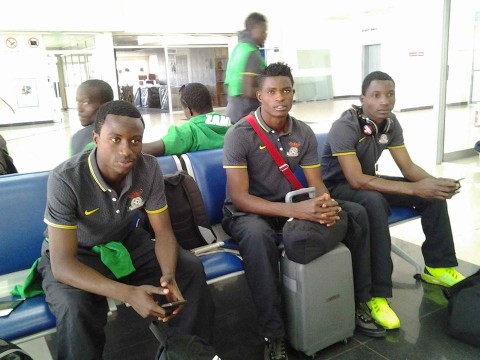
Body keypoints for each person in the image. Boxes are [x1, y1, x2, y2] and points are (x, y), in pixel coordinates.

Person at [222, 63, 386, 360]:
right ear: (260, 95)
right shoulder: (240, 134)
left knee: (356, 214)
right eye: (271, 91)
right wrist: (298, 210)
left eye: (285, 90)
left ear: (293, 93)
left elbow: (316, 183)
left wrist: (324, 205)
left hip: (292, 206)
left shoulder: (303, 132)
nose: (279, 97)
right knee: (258, 238)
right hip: (251, 212)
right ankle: (274, 333)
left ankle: (361, 302)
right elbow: (240, 198)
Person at [38, 100, 215, 359]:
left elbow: (163, 232)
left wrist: (168, 276)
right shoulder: (66, 178)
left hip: (126, 243)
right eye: (116, 139)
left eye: (135, 140)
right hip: (78, 253)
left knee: (188, 269)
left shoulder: (148, 168)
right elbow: (63, 265)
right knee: (74, 307)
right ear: (96, 138)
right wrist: (129, 294)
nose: (127, 150)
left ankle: (188, 352)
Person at [320, 70, 465, 331]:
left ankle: (438, 266)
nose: (384, 101)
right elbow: (355, 180)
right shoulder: (345, 126)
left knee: (430, 195)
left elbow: (408, 168)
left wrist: (435, 184)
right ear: (363, 99)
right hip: (337, 187)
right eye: (376, 95)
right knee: (375, 202)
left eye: (389, 95)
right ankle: (377, 295)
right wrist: (415, 189)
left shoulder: (390, 123)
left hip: (367, 181)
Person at [142, 82, 231, 156]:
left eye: (183, 108)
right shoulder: (231, 125)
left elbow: (150, 150)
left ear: (189, 110)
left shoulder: (188, 131)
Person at [224, 12, 267, 124]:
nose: (265, 35)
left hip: (232, 110)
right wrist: (269, 94)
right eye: (263, 31)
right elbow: (247, 90)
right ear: (253, 29)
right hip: (246, 113)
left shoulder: (239, 49)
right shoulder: (251, 52)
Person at [71, 79, 114, 156]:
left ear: (105, 105)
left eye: (85, 103)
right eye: (78, 102)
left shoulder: (79, 139)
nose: (79, 108)